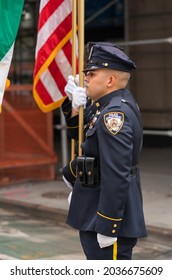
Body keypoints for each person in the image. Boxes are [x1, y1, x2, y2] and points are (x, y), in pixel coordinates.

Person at [61, 42, 147, 260]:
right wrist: (74, 106)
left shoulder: (114, 115)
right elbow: (81, 138)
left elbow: (117, 174)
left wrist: (108, 225)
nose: (86, 78)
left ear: (109, 80)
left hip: (106, 217)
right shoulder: (106, 106)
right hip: (94, 207)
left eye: (91, 73)